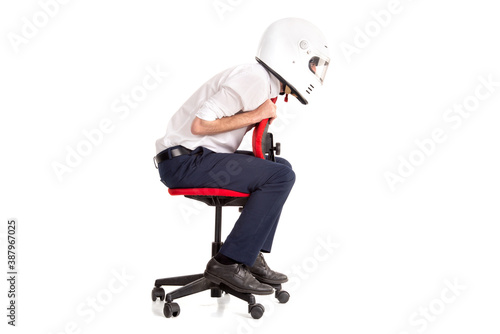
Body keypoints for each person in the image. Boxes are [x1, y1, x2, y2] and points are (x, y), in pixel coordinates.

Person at [155, 18, 330, 295]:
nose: (314, 72)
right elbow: (199, 125)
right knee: (280, 175)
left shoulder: (264, 82)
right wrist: (256, 115)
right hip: (184, 162)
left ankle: (250, 256)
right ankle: (228, 262)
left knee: (280, 168)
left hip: (196, 159)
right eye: (313, 64)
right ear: (292, 57)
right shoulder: (254, 79)